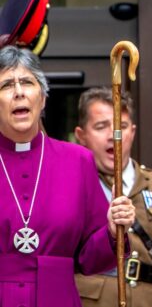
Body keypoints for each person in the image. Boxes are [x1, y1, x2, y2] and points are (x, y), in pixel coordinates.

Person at [0, 46, 135, 306]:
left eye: (27, 82)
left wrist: (111, 230)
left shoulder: (78, 161)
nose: (19, 92)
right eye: (6, 85)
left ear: (43, 99)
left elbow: (88, 259)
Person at [73, 87, 152, 306]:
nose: (114, 135)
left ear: (132, 131)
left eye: (121, 126)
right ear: (81, 135)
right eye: (101, 126)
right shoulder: (71, 184)